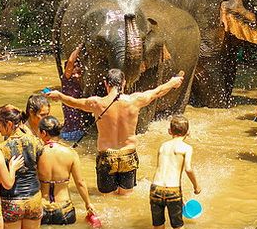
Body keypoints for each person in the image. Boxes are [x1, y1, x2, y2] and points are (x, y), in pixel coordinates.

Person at [47, 68, 185, 195]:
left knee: (106, 198)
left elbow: (74, 102)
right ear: (124, 83)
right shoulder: (135, 100)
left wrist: (59, 95)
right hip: (128, 154)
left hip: (106, 156)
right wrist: (172, 82)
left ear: (106, 84)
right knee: (125, 197)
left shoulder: (97, 103)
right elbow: (157, 92)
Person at [0, 104, 43, 229]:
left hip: (12, 202)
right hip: (34, 199)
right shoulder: (36, 141)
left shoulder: (1, 149)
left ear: (9, 124)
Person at [37, 116, 96, 225]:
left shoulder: (36, 153)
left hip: (42, 208)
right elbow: (80, 183)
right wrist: (88, 204)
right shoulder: (71, 153)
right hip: (65, 209)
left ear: (43, 133)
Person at [150, 115, 200, 229]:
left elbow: (161, 169)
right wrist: (196, 186)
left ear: (169, 131)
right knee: (178, 228)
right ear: (188, 132)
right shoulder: (187, 148)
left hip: (155, 188)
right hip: (173, 190)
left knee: (158, 226)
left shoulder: (163, 146)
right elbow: (188, 169)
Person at [60, 44, 87, 142]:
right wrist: (78, 49)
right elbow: (71, 61)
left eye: (79, 72)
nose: (76, 75)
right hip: (69, 132)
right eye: (73, 72)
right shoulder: (66, 81)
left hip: (79, 130)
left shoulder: (80, 84)